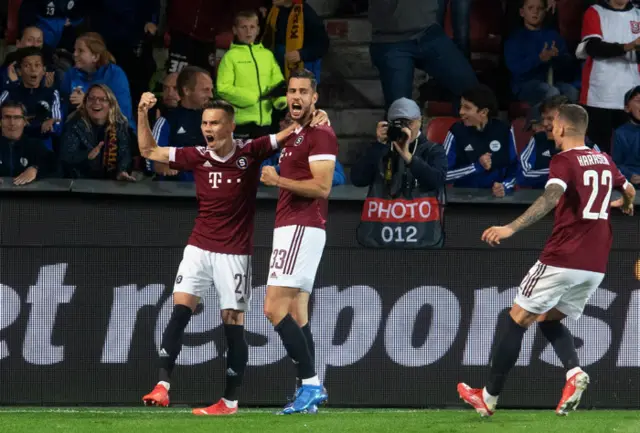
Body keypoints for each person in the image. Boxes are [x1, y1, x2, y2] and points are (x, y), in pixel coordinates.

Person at [136, 91, 328, 415]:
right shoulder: (196, 155)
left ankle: (229, 401)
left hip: (234, 253)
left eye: (214, 123)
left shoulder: (250, 152)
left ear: (230, 126)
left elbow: (290, 133)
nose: (208, 129)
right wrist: (142, 113)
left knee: (232, 323)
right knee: (180, 307)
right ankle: (162, 385)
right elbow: (148, 150)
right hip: (198, 245)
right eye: (204, 123)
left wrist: (315, 118)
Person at [457, 104, 635, 417]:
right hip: (595, 264)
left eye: (552, 124)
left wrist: (509, 227)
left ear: (564, 128)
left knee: (516, 317)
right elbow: (630, 188)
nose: (549, 129)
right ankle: (573, 373)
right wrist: (626, 204)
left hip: (563, 257)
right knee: (547, 318)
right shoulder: (604, 159)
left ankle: (487, 397)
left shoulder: (564, 161)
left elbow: (551, 198)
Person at [259, 69, 337, 414]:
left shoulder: (321, 134)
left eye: (304, 91)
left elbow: (322, 187)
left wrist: (277, 181)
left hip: (301, 226)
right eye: (292, 90)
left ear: (314, 97)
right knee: (296, 312)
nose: (296, 97)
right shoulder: (297, 133)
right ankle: (310, 391)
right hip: (293, 226)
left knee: (272, 308)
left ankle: (310, 385)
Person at [217, 10, 288, 139]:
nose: (248, 32)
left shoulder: (267, 55)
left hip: (265, 121)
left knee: (262, 158)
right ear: (235, 30)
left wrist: (280, 99)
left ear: (258, 29)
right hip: (240, 123)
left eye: (252, 27)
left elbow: (277, 81)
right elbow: (223, 87)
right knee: (243, 158)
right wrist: (250, 97)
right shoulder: (230, 57)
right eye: (243, 27)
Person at [444, 85, 518, 197]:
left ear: (483, 112)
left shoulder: (504, 130)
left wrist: (505, 187)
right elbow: (441, 174)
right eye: (461, 107)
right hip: (462, 200)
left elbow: (514, 170)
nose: (461, 112)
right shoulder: (456, 131)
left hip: (498, 200)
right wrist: (476, 167)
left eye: (467, 108)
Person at [518, 95, 599, 188]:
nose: (544, 124)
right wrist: (562, 171)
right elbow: (522, 175)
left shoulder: (587, 145)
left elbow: (601, 172)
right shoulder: (538, 140)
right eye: (543, 118)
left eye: (550, 119)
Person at [59, 84, 135, 180]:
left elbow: (125, 154)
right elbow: (66, 156)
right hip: (80, 183)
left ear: (110, 104)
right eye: (91, 98)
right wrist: (87, 156)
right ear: (85, 103)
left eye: (102, 99)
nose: (96, 102)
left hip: (112, 185)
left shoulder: (120, 125)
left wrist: (122, 171)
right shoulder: (74, 124)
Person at [61, 33, 134, 129]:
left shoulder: (115, 74)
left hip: (115, 130)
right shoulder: (71, 74)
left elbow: (124, 113)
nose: (74, 54)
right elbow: (62, 106)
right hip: (81, 131)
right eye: (74, 50)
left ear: (95, 57)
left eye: (80, 51)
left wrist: (87, 102)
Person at [0, 100, 52, 185]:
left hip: (28, 197)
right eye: (7, 117)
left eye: (17, 118)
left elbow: (55, 167)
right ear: (1, 121)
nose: (12, 123)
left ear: (24, 122)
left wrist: (36, 169)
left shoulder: (35, 145)